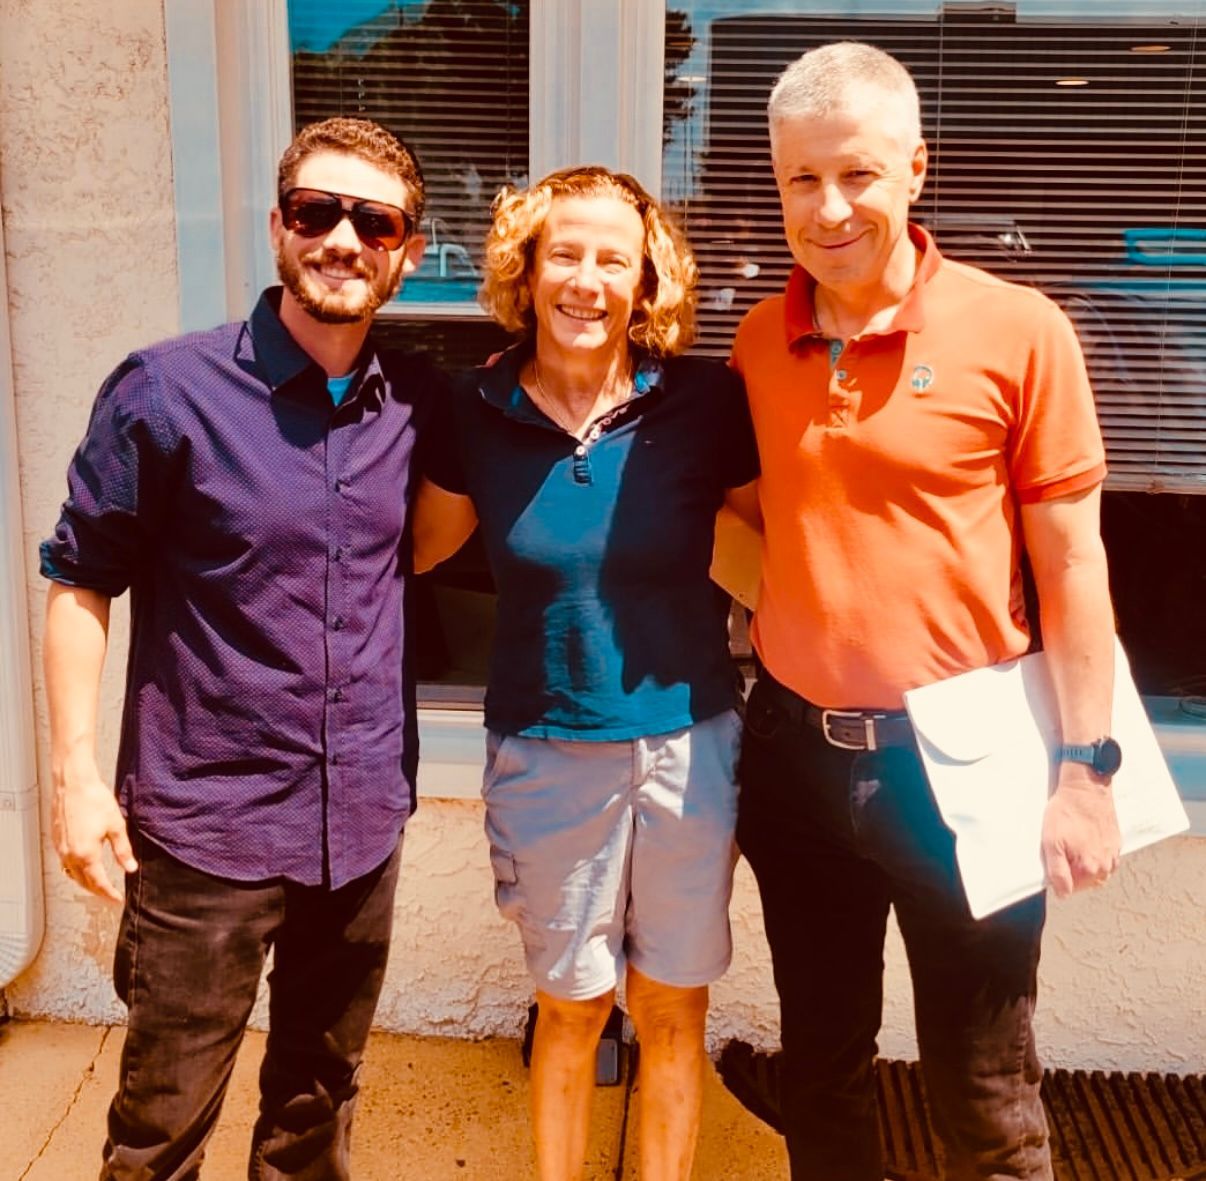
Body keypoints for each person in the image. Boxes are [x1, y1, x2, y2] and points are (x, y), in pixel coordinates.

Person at [730, 42, 1120, 1181]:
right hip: (795, 759)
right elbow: (752, 523)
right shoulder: (758, 339)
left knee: (984, 1088)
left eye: (857, 173)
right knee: (820, 1067)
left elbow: (1074, 566)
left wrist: (1085, 770)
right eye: (802, 179)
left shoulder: (1019, 330)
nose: (829, 208)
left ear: (914, 168)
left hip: (967, 765)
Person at [43, 116, 442, 1179]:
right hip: (203, 829)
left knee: (318, 1107)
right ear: (278, 227)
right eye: (317, 211)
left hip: (360, 820)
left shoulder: (417, 403)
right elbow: (80, 578)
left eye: (375, 222)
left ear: (406, 252)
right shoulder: (167, 391)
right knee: (160, 1127)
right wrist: (75, 778)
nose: (343, 239)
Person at [413, 165, 760, 1181]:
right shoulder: (476, 408)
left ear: (646, 281)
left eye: (615, 259)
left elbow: (772, 556)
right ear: (526, 270)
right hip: (548, 746)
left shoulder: (702, 403)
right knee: (571, 1006)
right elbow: (415, 548)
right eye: (564, 253)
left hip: (690, 747)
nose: (587, 280)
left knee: (671, 1005)